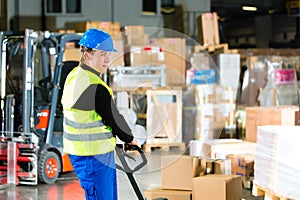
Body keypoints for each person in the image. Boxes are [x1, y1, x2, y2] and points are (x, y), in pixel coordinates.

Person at [61, 28, 136, 200]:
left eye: (109, 54)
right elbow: (114, 117)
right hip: (93, 156)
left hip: (87, 152)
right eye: (102, 54)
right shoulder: (94, 85)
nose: (108, 60)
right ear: (87, 54)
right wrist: (129, 138)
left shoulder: (75, 75)